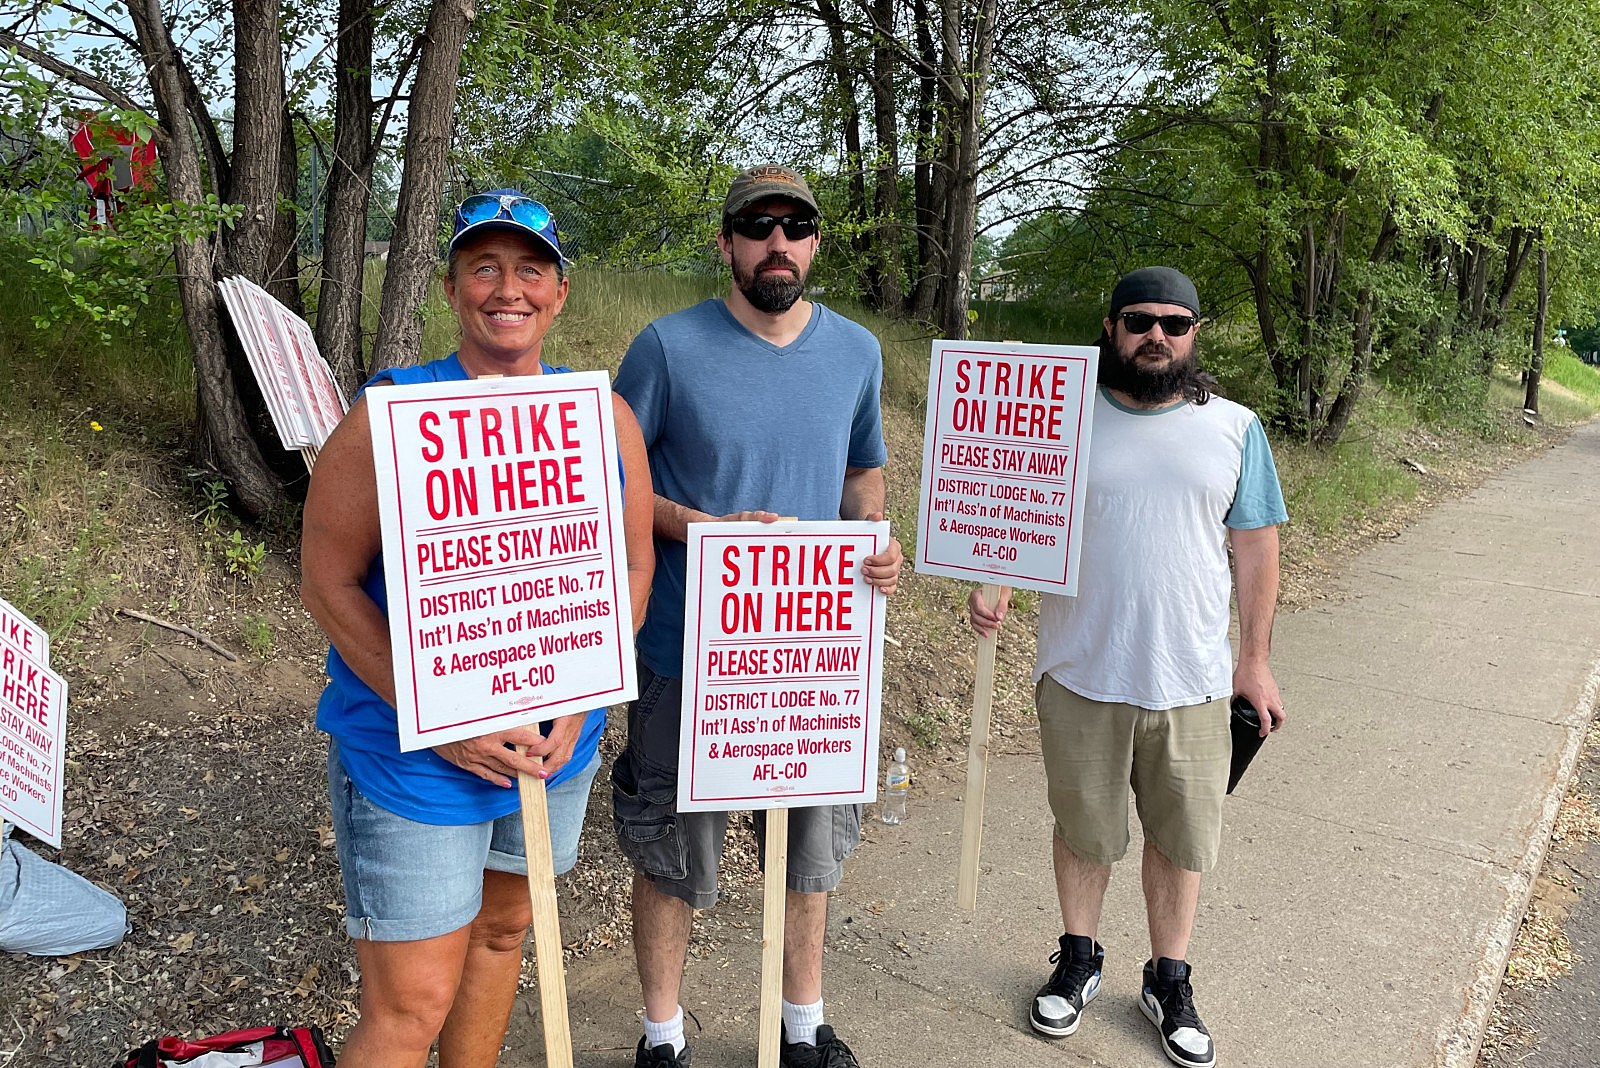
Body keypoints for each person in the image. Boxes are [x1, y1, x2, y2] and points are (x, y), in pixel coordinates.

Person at [301, 190, 654, 1068]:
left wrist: (591, 689)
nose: (509, 289)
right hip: (413, 754)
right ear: (452, 286)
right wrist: (446, 717)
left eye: (530, 268)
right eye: (485, 267)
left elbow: (635, 567)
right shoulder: (391, 414)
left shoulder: (600, 418)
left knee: (503, 934)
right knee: (410, 1005)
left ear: (560, 291)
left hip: (553, 746)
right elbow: (327, 582)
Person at [611, 164, 903, 1068]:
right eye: (758, 224)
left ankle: (802, 1025)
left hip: (814, 662)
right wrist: (697, 527)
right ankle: (662, 1038)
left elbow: (862, 473)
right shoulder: (665, 347)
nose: (778, 241)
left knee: (808, 855)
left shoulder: (856, 352)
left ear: (816, 243)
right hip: (686, 655)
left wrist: (876, 544)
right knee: (669, 858)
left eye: (796, 225)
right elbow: (619, 483)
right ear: (727, 242)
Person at [969, 267, 1287, 1068]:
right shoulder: (1060, 415)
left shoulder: (1236, 428)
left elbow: (1256, 550)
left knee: (1181, 839)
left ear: (1194, 334)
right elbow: (1013, 507)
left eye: (1175, 323)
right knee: (1084, 832)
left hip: (1194, 678)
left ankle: (1168, 980)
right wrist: (997, 576)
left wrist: (1254, 661)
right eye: (1141, 320)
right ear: (1111, 328)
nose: (1158, 335)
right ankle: (1078, 961)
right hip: (1082, 669)